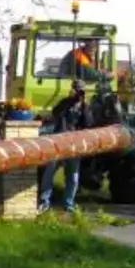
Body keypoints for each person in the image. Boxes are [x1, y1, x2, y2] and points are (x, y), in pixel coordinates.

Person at [37, 79, 91, 213]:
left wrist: (83, 105)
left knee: (73, 176)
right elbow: (56, 113)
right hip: (59, 142)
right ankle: (44, 202)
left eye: (80, 90)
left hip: (74, 144)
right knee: (49, 173)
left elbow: (89, 123)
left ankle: (69, 204)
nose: (78, 92)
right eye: (76, 89)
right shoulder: (64, 103)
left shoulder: (85, 106)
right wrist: (70, 101)